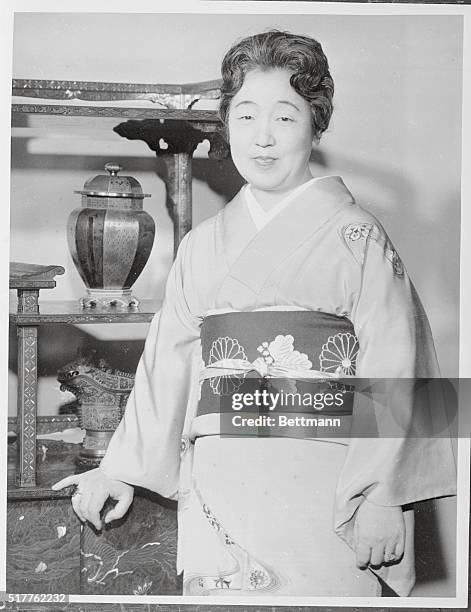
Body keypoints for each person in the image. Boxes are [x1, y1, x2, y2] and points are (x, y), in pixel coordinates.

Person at [53, 30, 456, 597]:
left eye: (286, 118)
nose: (262, 139)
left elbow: (403, 368)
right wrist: (120, 467)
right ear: (226, 125)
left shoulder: (357, 236)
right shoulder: (203, 245)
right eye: (245, 116)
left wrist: (385, 495)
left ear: (317, 126)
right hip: (223, 485)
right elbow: (166, 365)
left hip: (329, 485)